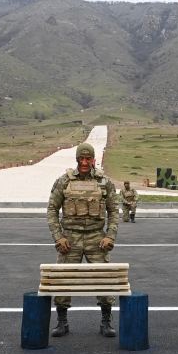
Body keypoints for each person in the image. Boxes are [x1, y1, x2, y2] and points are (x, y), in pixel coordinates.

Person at [46, 142, 119, 337]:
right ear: (77, 159)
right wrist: (58, 237)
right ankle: (62, 322)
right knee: (63, 280)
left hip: (97, 238)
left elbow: (114, 211)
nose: (85, 162)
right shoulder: (64, 181)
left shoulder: (105, 182)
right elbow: (52, 210)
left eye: (88, 158)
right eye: (81, 158)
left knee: (104, 280)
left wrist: (110, 236)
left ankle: (106, 321)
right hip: (70, 239)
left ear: (93, 159)